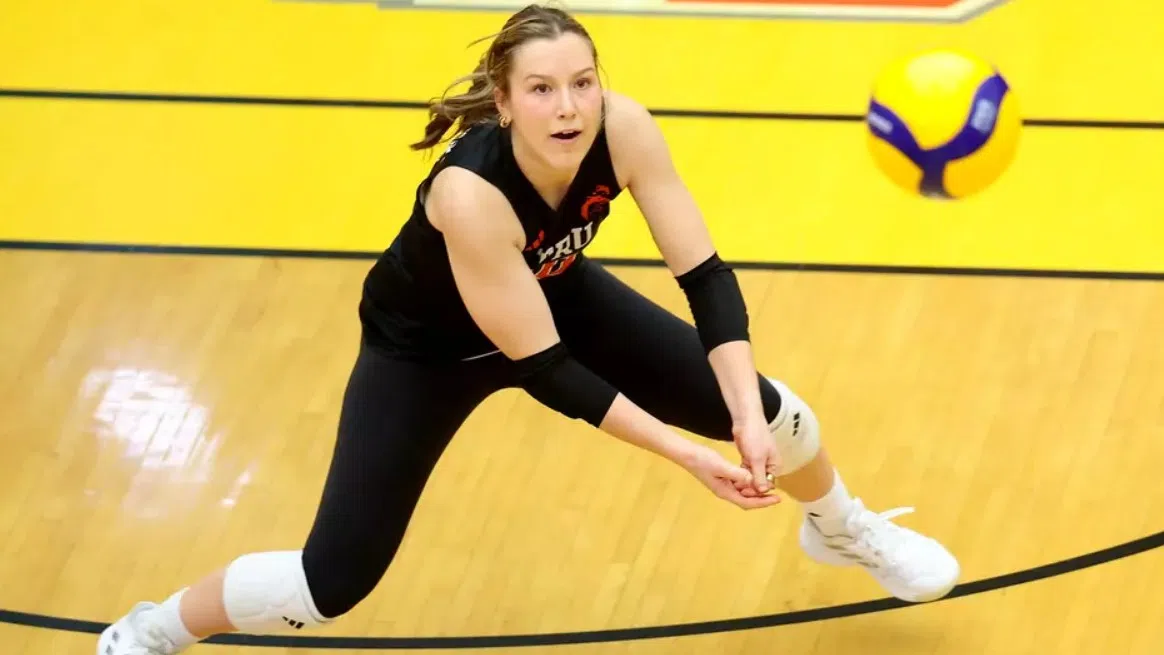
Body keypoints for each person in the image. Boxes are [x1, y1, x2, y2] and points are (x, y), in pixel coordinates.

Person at [97, 4, 959, 653]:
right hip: (426, 351)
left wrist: (740, 409)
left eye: (582, 82)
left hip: (551, 291)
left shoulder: (624, 129)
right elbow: (547, 370)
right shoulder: (468, 195)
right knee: (325, 587)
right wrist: (690, 454)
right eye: (542, 89)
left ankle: (838, 524)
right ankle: (153, 628)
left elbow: (704, 275)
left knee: (777, 413)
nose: (569, 106)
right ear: (504, 104)